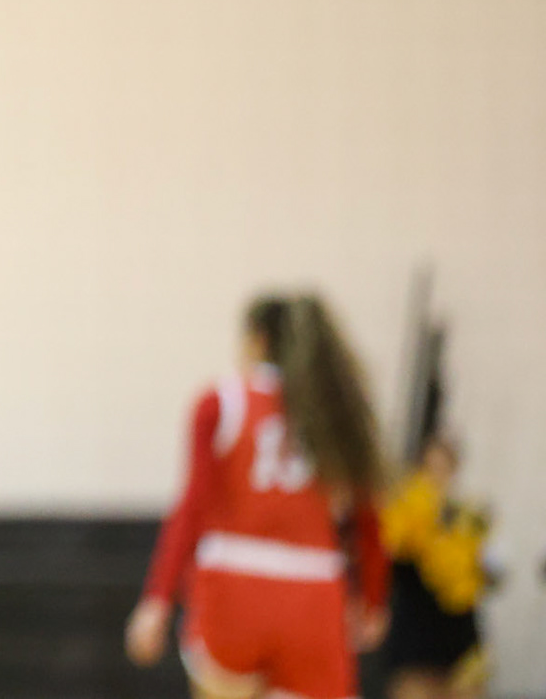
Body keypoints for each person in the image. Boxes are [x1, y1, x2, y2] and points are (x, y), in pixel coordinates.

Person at [126, 294, 391, 699]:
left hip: (232, 589)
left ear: (258, 340)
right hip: (313, 594)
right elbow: (368, 515)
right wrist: (373, 596)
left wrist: (158, 599)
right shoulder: (334, 407)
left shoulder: (222, 399)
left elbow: (192, 506)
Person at [380, 432, 496, 699]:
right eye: (431, 466)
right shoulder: (402, 507)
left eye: (444, 467)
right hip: (416, 640)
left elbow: (481, 575)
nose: (437, 475)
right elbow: (393, 550)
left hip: (458, 638)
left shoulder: (464, 516)